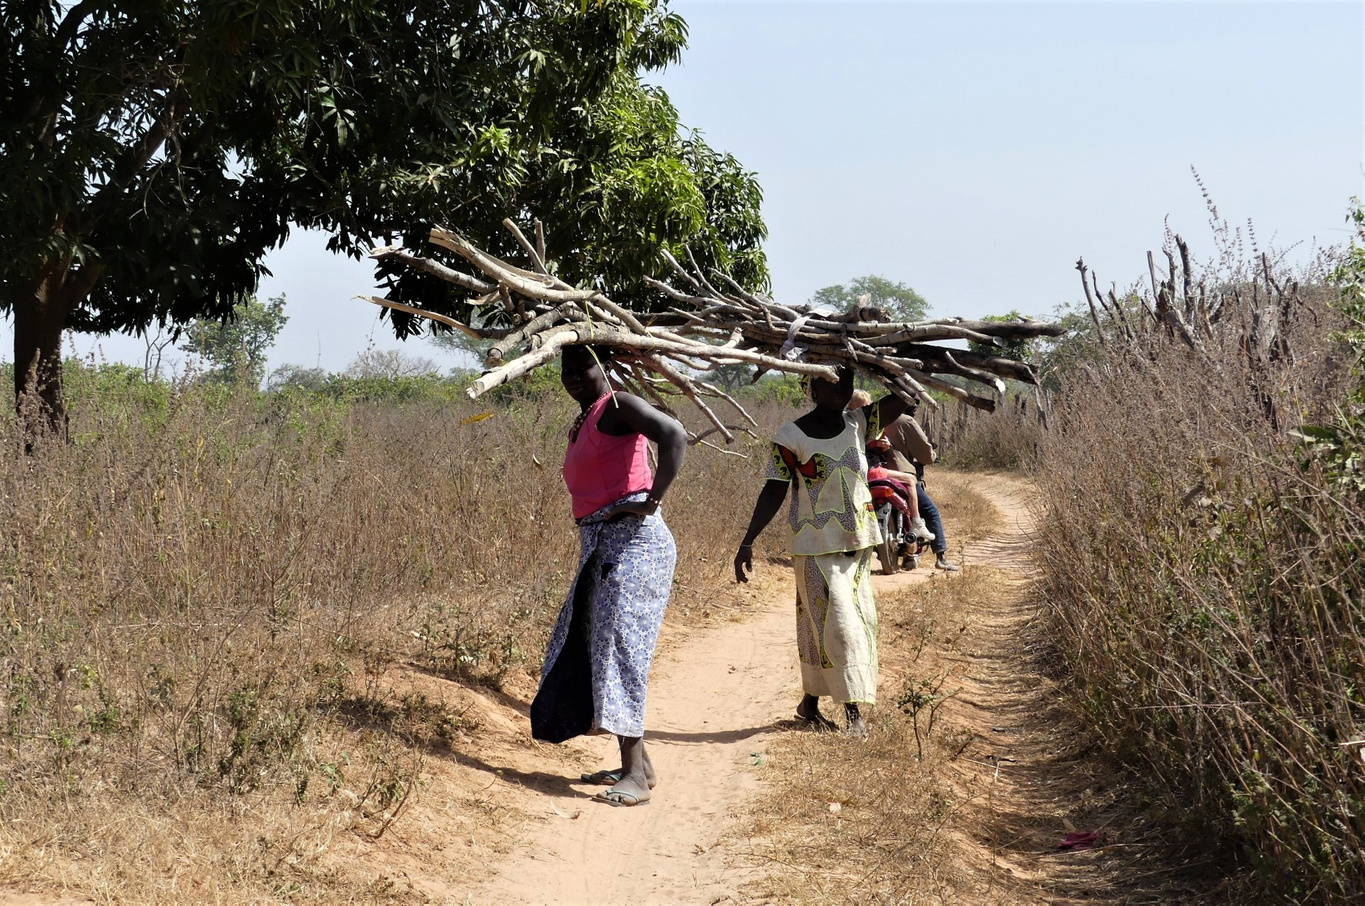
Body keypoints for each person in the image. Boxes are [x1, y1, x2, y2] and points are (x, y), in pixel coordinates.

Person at [530, 344, 687, 807]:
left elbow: (674, 434)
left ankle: (635, 776)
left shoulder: (619, 404)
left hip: (634, 545)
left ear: (605, 367)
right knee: (600, 648)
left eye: (583, 367)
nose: (574, 376)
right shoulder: (585, 419)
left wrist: (651, 500)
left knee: (618, 649)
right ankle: (638, 765)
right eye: (567, 370)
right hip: (602, 547)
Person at [733, 365, 909, 738]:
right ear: (809, 388)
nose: (838, 389)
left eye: (845, 382)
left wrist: (882, 363)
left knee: (834, 624)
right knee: (839, 624)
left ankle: (809, 704)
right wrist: (748, 541)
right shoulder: (789, 437)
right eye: (827, 383)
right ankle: (853, 714)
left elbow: (908, 397)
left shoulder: (860, 423)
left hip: (857, 542)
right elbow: (774, 490)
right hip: (812, 545)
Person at [851, 391, 959, 572]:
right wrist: (932, 455)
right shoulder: (904, 421)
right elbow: (925, 455)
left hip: (859, 475)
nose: (915, 406)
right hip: (895, 473)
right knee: (931, 511)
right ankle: (941, 557)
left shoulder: (853, 422)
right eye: (914, 403)